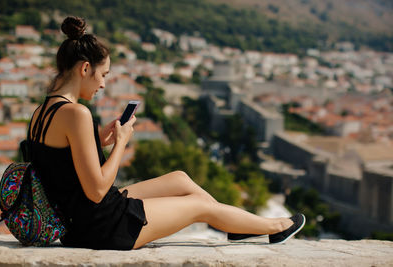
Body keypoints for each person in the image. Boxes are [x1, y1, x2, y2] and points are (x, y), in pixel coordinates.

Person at [28, 16, 305, 250]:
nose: (103, 84)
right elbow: (97, 190)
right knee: (199, 206)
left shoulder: (41, 113)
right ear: (85, 68)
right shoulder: (77, 113)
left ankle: (236, 224)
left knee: (181, 180)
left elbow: (61, 168)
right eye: (104, 75)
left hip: (80, 222)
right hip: (101, 226)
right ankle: (275, 226)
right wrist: (121, 144)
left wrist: (98, 141)